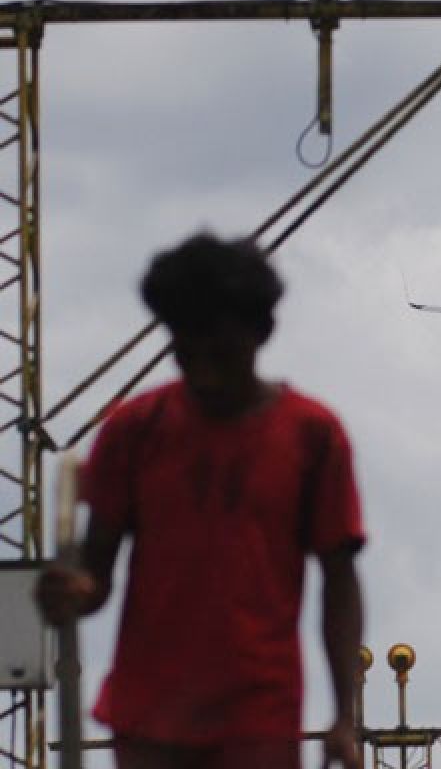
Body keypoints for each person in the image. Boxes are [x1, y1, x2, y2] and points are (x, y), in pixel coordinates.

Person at [37, 233, 366, 769]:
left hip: (256, 717)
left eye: (220, 348)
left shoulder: (313, 437)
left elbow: (340, 578)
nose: (203, 367)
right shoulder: (134, 431)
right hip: (148, 717)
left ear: (261, 334)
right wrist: (71, 590)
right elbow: (97, 575)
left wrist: (345, 717)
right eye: (186, 348)